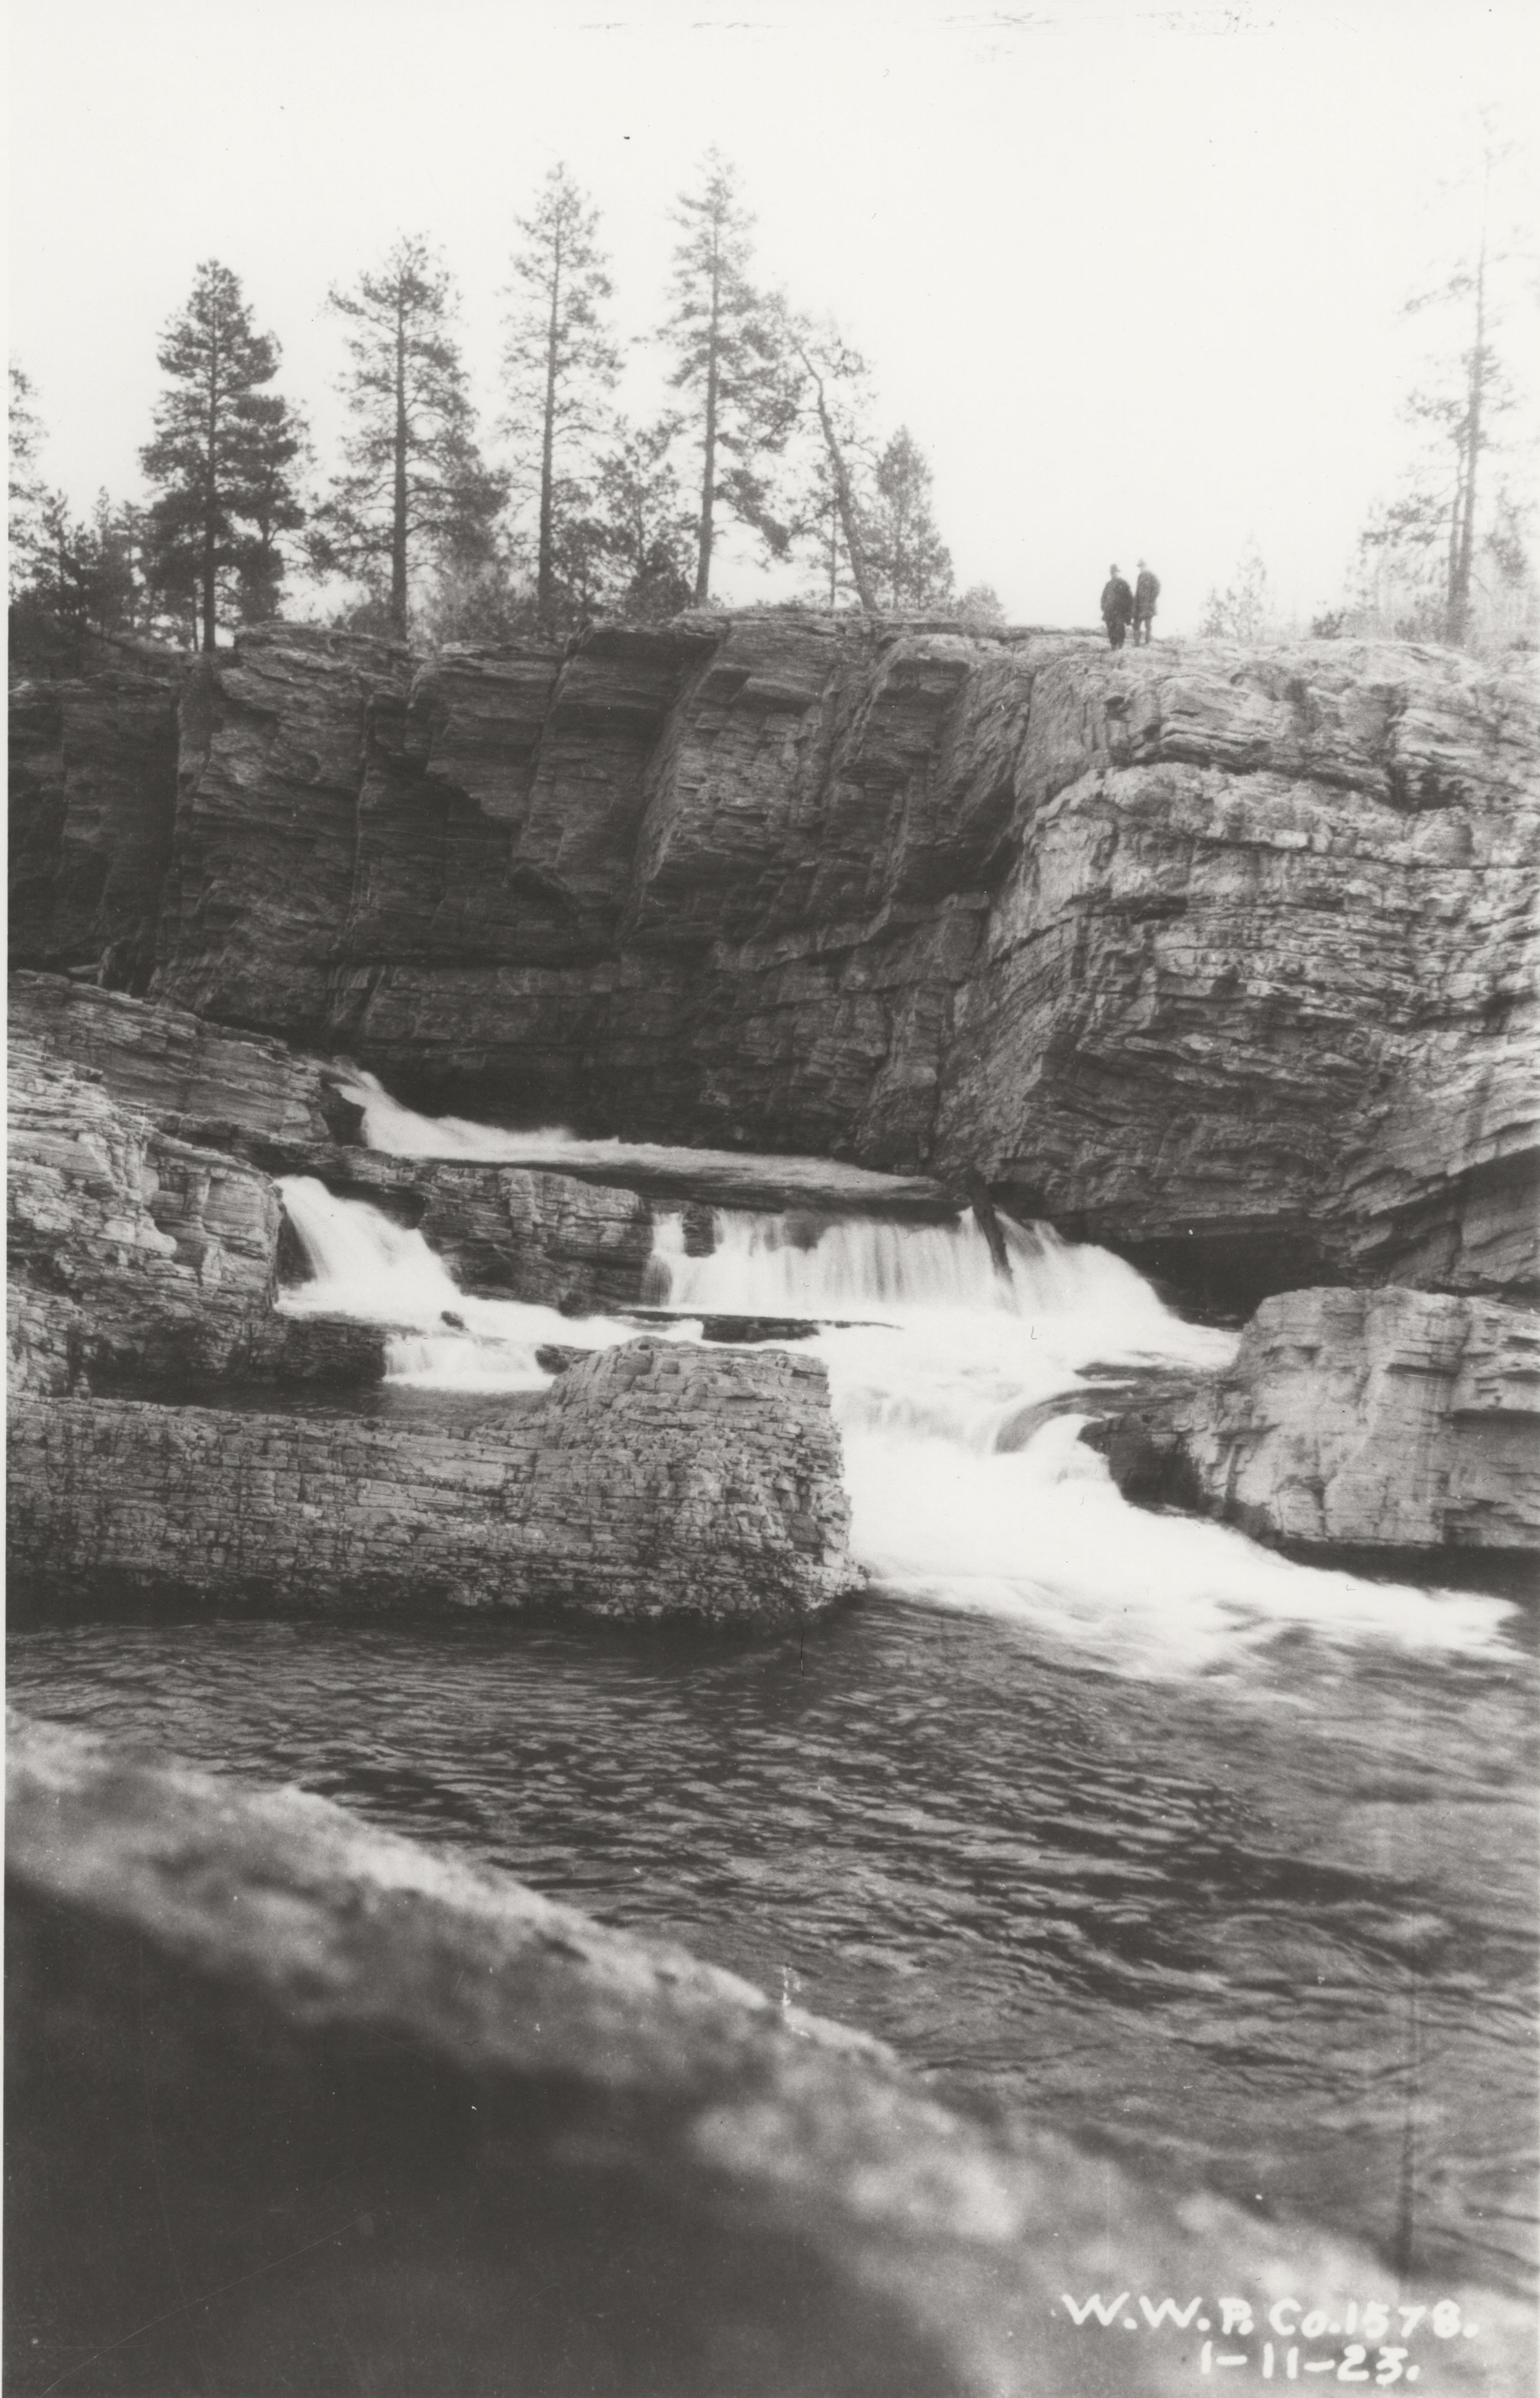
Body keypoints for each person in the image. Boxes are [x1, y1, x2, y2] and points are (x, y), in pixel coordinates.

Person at [1100, 566, 1134, 650]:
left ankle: (1120, 647)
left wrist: (1128, 613)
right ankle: (1113, 646)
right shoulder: (1108, 585)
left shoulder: (1124, 583)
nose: (1114, 574)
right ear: (1111, 573)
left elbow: (1130, 599)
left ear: (1118, 572)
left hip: (1120, 611)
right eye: (1112, 572)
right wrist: (1104, 607)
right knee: (1111, 629)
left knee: (1119, 629)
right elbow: (1103, 598)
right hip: (1109, 612)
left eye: (1116, 572)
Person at [1133, 560, 1160, 645]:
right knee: (1136, 624)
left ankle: (1147, 642)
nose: (1141, 568)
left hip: (1148, 605)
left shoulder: (1151, 575)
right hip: (1140, 605)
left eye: (1142, 566)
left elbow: (1158, 587)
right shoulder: (1140, 576)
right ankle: (1137, 643)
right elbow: (1138, 591)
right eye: (1139, 567)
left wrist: (1151, 599)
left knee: (1148, 624)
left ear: (1145, 566)